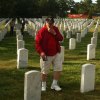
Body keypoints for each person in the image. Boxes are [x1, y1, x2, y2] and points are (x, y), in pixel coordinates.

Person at [35, 17, 63, 91]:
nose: (50, 25)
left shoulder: (55, 29)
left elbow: (61, 38)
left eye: (52, 23)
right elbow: (37, 44)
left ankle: (54, 85)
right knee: (44, 71)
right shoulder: (42, 31)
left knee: (58, 69)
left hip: (56, 53)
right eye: (49, 23)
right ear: (46, 23)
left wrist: (54, 33)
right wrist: (41, 52)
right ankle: (43, 85)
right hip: (46, 54)